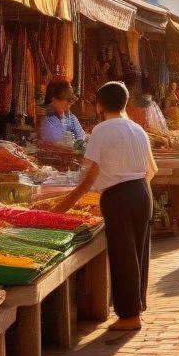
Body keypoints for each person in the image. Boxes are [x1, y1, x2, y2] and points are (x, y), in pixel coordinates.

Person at [51, 81, 157, 333]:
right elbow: (153, 169)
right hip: (142, 191)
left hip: (119, 196)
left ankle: (129, 316)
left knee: (123, 256)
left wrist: (63, 206)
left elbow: (90, 176)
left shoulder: (102, 130)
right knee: (139, 253)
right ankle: (137, 307)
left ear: (99, 105)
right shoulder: (137, 129)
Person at [37, 79, 87, 146]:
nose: (69, 104)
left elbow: (81, 137)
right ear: (54, 99)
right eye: (67, 100)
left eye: (71, 101)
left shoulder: (71, 118)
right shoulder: (45, 118)